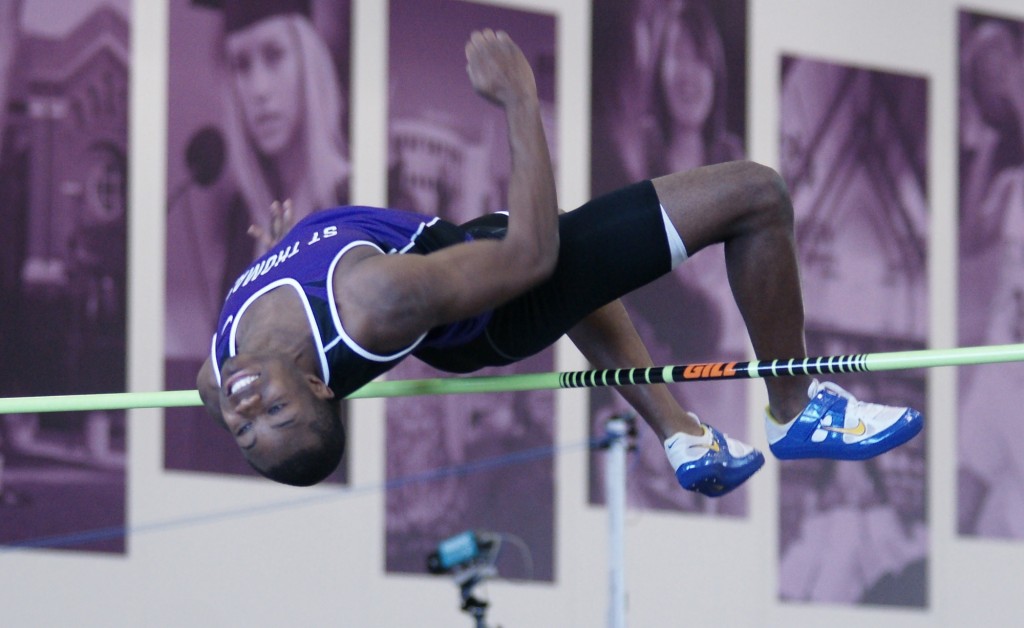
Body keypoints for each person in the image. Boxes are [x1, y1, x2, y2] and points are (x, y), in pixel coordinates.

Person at [197, 29, 923, 494]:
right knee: (756, 195)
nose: (248, 408)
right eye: (276, 412)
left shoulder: (219, 372)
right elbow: (532, 257)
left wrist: (266, 258)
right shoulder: (370, 301)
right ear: (323, 390)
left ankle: (680, 434)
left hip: (464, 244)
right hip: (496, 298)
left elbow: (237, 388)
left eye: (246, 430)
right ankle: (796, 410)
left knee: (583, 273)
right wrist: (518, 98)